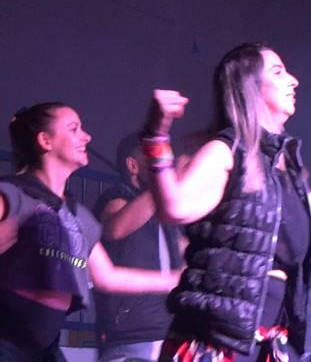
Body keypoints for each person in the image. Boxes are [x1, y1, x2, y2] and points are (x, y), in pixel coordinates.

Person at [139, 42, 311, 361]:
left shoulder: (281, 168)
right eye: (278, 72)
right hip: (216, 340)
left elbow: (308, 214)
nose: (294, 80)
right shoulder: (225, 151)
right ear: (251, 87)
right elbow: (175, 207)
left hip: (266, 339)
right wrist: (156, 136)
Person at [0, 102, 180, 362]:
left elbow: (108, 277)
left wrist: (176, 279)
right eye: (74, 129)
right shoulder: (14, 195)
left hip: (44, 349)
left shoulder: (77, 216)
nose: (87, 137)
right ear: (45, 141)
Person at [93, 133, 187, 362]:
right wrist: (167, 179)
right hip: (131, 338)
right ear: (133, 165)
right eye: (156, 163)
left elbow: (186, 250)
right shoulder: (117, 198)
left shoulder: (163, 214)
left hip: (168, 332)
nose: (165, 168)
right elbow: (115, 228)